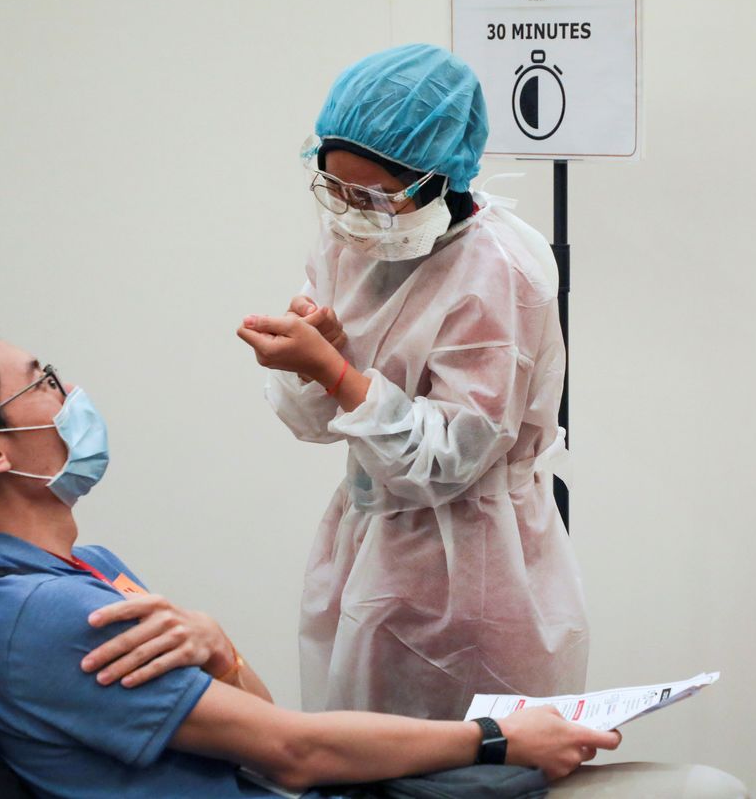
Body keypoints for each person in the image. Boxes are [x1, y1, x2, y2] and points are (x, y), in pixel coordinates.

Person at [0, 317, 620, 799]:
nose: (72, 392)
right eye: (44, 382)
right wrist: (500, 738)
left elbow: (265, 722)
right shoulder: (37, 613)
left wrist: (221, 650)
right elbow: (294, 751)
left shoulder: (86, 568)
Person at [236, 44, 588, 721]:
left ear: (438, 178)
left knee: (475, 758)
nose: (350, 214)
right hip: (370, 544)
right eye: (336, 189)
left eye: (372, 196)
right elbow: (314, 423)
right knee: (362, 753)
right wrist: (318, 362)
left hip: (477, 565)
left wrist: (336, 372)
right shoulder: (350, 243)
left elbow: (450, 461)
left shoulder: (497, 270)